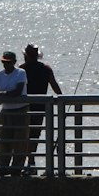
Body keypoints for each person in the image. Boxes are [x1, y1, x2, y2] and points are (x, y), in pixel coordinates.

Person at [20, 44, 63, 176]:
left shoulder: (22, 69)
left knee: (26, 136)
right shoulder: (46, 69)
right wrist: (62, 101)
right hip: (41, 107)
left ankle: (30, 163)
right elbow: (55, 87)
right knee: (34, 135)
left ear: (25, 56)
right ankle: (31, 163)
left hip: (25, 106)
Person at [0, 49, 30, 175]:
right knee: (4, 141)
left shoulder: (21, 73)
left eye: (8, 62)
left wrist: (1, 94)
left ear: (14, 62)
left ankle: (16, 169)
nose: (6, 64)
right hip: (6, 111)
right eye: (4, 62)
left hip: (21, 110)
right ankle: (3, 167)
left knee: (20, 143)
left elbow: (18, 91)